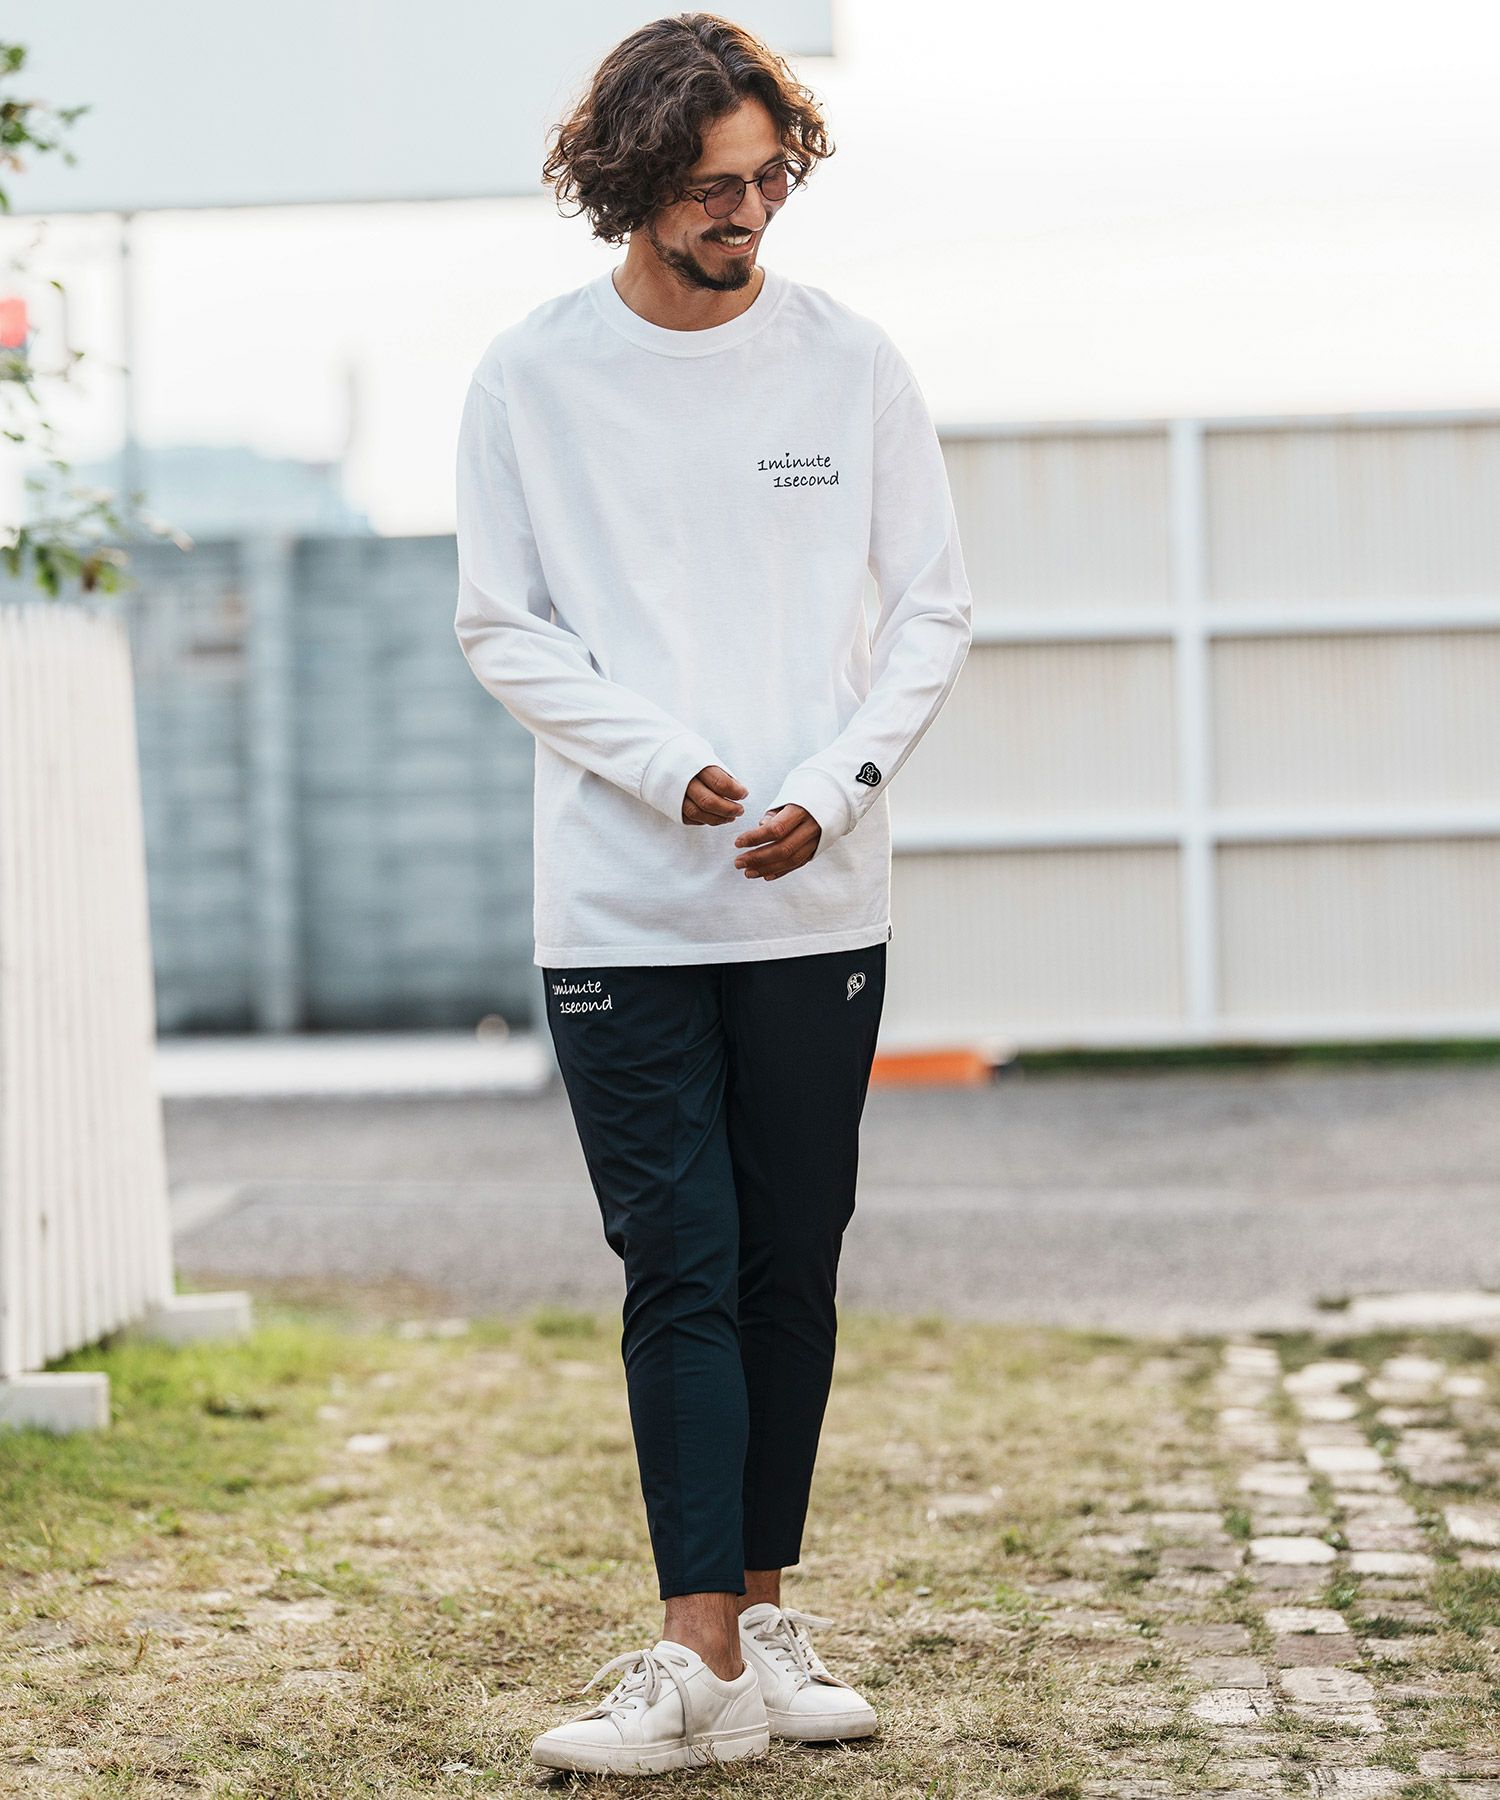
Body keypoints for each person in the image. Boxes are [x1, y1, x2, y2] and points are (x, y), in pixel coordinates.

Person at [453, 11, 972, 1778]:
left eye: (764, 179)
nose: (743, 211)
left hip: (821, 901)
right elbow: (502, 624)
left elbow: (931, 611)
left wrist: (835, 787)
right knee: (675, 1258)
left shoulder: (850, 361)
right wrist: (661, 762)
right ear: (629, 185)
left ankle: (761, 1624)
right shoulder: (531, 377)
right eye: (706, 187)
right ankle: (692, 1660)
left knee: (786, 1263)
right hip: (620, 907)